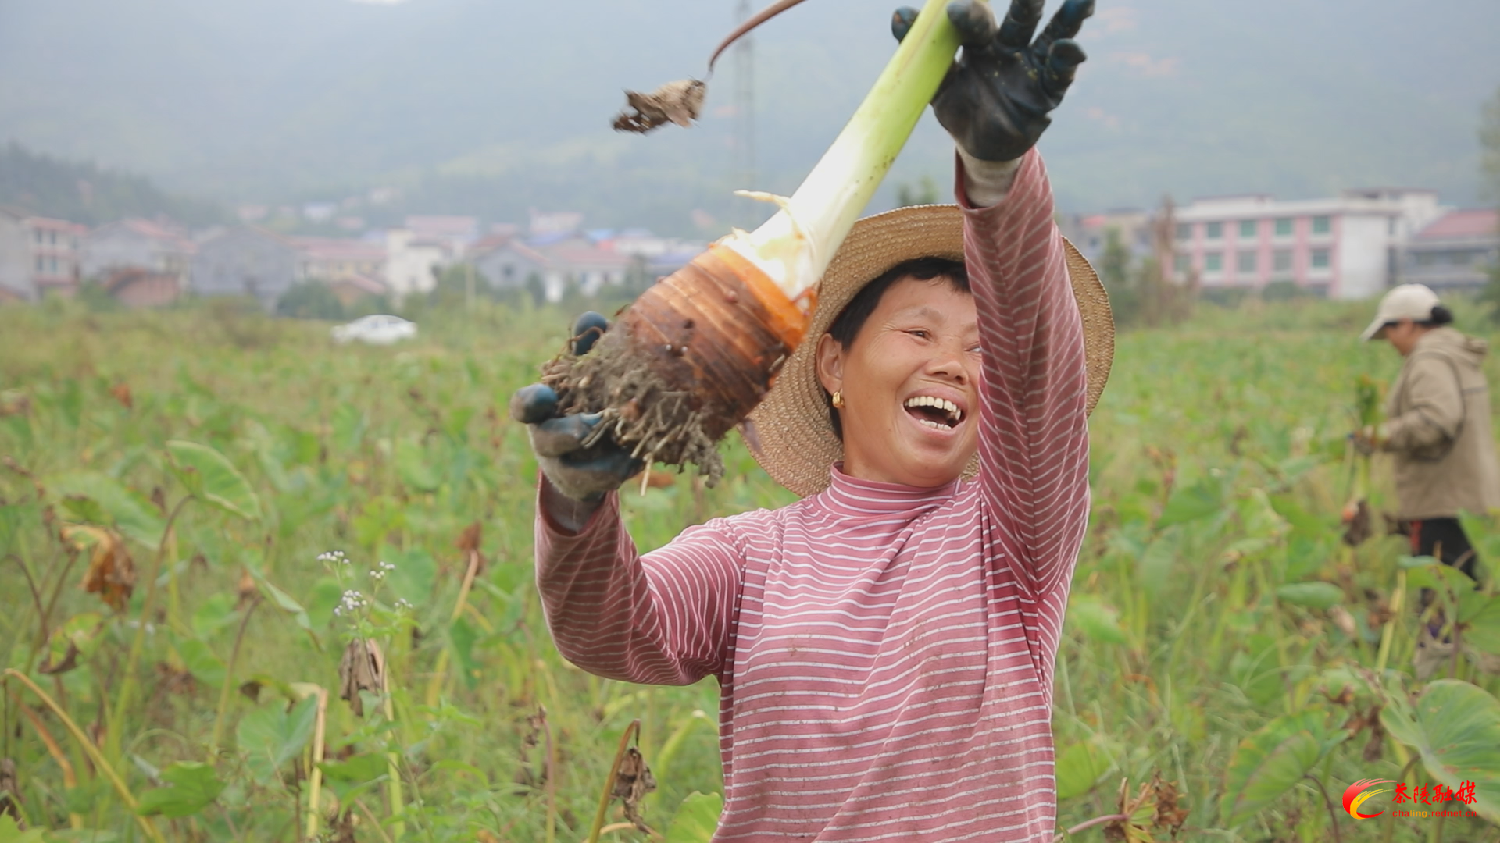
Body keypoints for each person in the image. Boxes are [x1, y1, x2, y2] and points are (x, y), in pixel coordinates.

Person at [512, 0, 1115, 839]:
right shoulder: (747, 556)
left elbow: (1038, 377)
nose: (953, 362)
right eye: (918, 331)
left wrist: (997, 179)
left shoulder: (1012, 538)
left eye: (982, 349)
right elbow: (613, 634)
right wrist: (576, 510)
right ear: (833, 363)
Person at [1353, 283, 1500, 675]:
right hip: (1470, 496)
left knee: (1440, 600)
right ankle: (1466, 679)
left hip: (1445, 499)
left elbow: (1437, 419)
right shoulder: (1458, 354)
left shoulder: (1430, 358)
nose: (1390, 343)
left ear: (1407, 324)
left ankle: (1433, 687)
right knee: (1461, 598)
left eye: (1389, 334)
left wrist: (1378, 435)